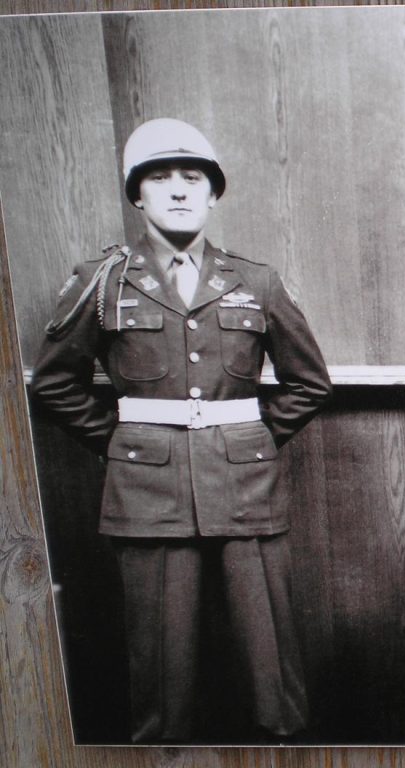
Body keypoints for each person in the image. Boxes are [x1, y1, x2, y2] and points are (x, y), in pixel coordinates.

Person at [30, 118, 332, 742]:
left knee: (271, 669)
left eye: (192, 178)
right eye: (159, 178)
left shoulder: (256, 281)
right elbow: (55, 384)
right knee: (162, 676)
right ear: (136, 196)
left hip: (245, 490)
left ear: (213, 193)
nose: (176, 190)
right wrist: (129, 447)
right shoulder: (102, 281)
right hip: (150, 495)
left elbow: (309, 383)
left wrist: (247, 443)